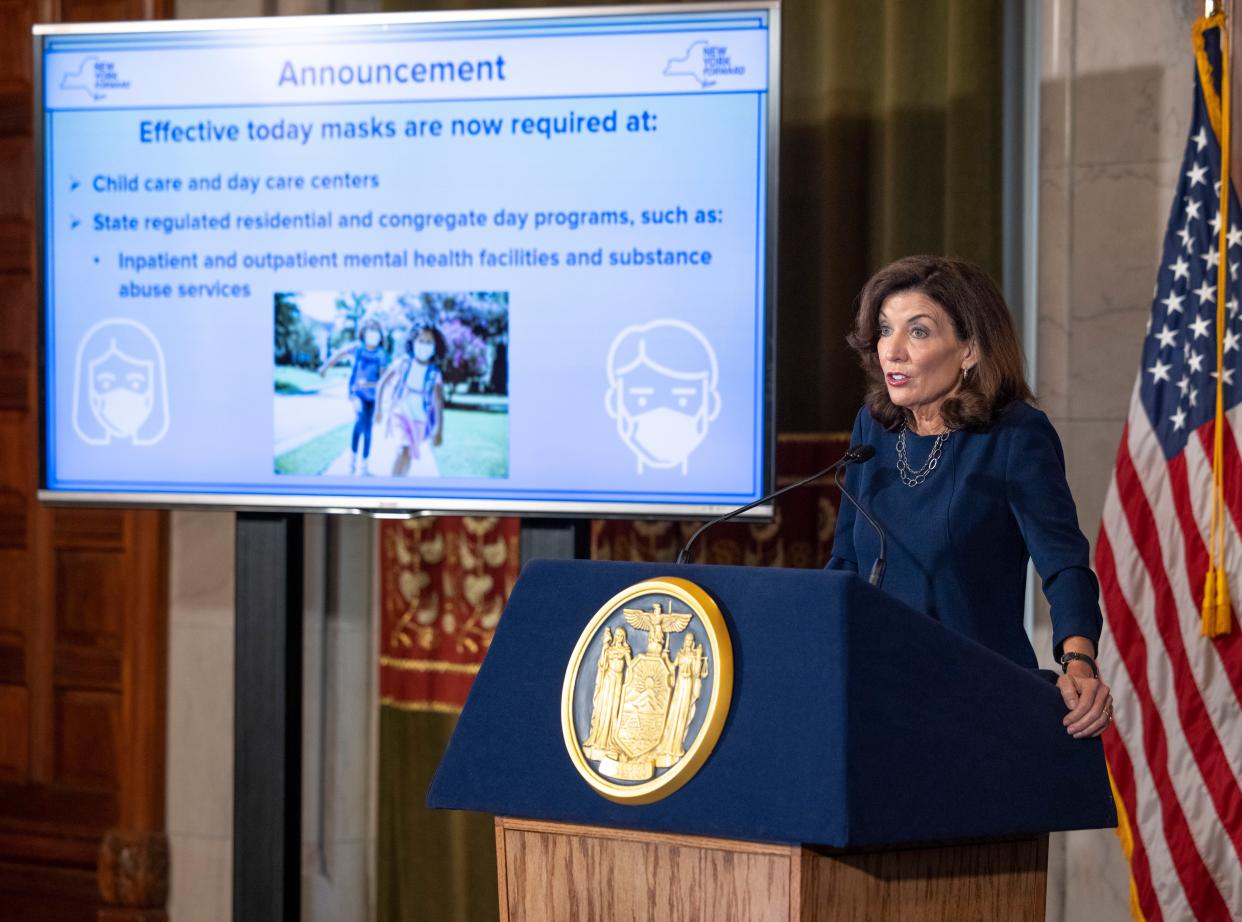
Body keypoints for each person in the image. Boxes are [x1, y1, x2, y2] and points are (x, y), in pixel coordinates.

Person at [828, 255, 1113, 739]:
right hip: (876, 699)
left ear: (970, 350)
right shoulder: (872, 428)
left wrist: (1079, 660)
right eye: (884, 329)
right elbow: (845, 564)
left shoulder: (1015, 436)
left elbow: (1064, 564)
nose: (890, 351)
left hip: (979, 703)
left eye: (917, 332)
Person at [319, 317, 388, 475]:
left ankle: (364, 465)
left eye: (376, 331)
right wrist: (324, 367)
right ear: (364, 333)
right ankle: (352, 461)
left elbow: (383, 381)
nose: (373, 334)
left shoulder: (381, 354)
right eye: (370, 330)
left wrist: (370, 385)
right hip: (357, 394)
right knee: (359, 419)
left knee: (368, 430)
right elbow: (339, 354)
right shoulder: (358, 348)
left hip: (373, 398)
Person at [377, 324, 445, 476]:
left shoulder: (434, 373)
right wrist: (378, 409)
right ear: (413, 342)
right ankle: (390, 487)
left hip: (420, 418)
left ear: (436, 346)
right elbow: (382, 383)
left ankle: (400, 485)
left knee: (408, 454)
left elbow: (438, 401)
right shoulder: (403, 363)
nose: (424, 346)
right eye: (421, 340)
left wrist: (439, 429)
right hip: (400, 413)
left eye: (429, 342)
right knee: (402, 448)